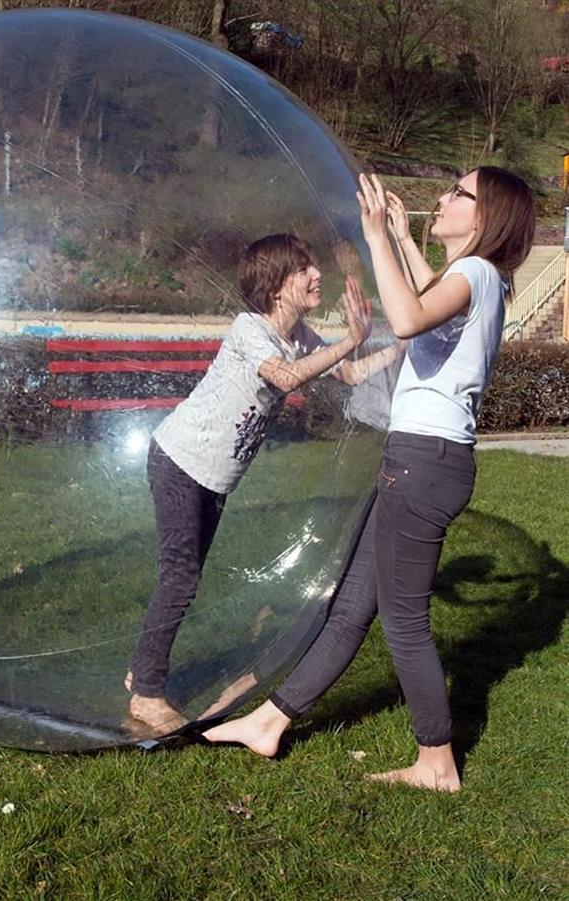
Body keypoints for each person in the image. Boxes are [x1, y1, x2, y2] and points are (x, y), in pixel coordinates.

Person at [203, 167, 536, 792]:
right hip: (421, 459)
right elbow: (428, 295)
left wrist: (378, 235)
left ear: (486, 216)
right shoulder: (479, 278)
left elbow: (408, 318)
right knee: (353, 604)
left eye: (458, 193)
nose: (443, 198)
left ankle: (436, 762)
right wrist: (406, 241)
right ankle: (270, 723)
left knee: (403, 622)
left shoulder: (476, 273)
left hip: (424, 462)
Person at [126, 233, 389, 735]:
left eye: (314, 266)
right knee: (180, 578)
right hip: (181, 462)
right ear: (275, 284)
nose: (317, 275)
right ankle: (146, 693)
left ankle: (144, 666)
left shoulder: (299, 334)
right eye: (303, 269)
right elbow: (285, 378)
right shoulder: (251, 328)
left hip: (213, 476)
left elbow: (352, 373)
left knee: (183, 578)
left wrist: (404, 345)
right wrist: (349, 339)